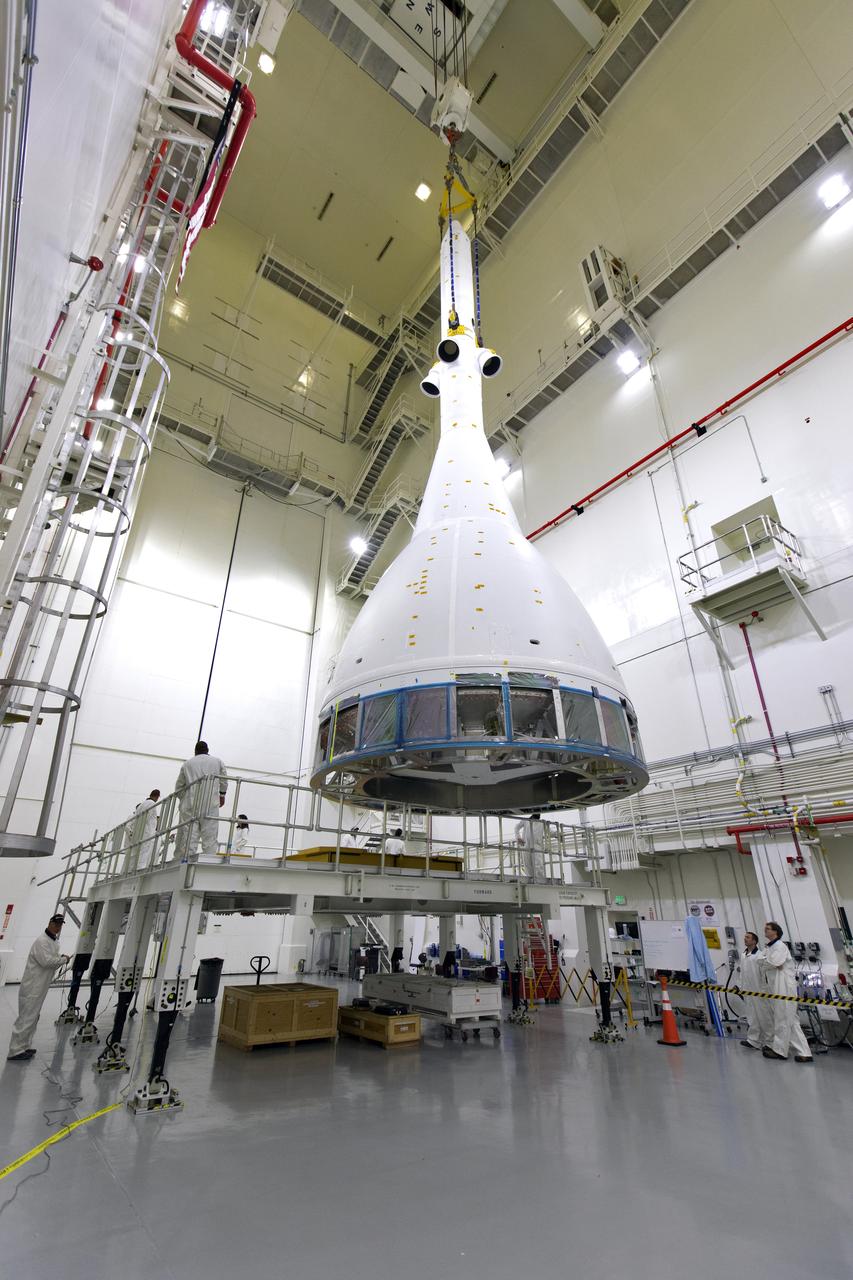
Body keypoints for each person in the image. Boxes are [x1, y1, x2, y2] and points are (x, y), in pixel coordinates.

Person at [7, 915, 69, 1061]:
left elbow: (50, 956)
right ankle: (15, 1051)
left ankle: (24, 1046)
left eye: (60, 925)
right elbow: (46, 961)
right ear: (50, 923)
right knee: (26, 1017)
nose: (58, 927)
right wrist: (63, 960)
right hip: (33, 986)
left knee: (33, 1017)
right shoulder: (42, 941)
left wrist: (60, 956)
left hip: (40, 986)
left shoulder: (52, 941)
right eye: (56, 924)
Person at [758, 921, 813, 1063]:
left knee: (783, 1018)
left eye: (768, 928)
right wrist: (768, 961)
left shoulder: (780, 946)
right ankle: (804, 1052)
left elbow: (773, 963)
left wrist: (767, 962)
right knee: (791, 1021)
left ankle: (780, 1051)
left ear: (775, 932)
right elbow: (761, 961)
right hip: (776, 986)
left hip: (784, 987)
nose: (765, 930)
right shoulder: (769, 947)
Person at [174, 741, 228, 861]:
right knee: (210, 838)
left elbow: (178, 788)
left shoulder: (187, 764)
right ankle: (209, 863)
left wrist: (186, 798)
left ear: (195, 751)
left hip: (190, 805)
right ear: (207, 750)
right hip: (210, 804)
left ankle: (186, 863)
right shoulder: (217, 762)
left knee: (189, 838)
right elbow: (224, 781)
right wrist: (222, 795)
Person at [738, 930, 772, 1051]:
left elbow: (764, 974)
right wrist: (741, 987)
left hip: (759, 991)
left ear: (754, 941)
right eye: (745, 937)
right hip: (747, 990)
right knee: (751, 1016)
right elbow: (742, 972)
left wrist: (764, 990)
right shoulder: (743, 955)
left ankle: (770, 1042)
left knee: (764, 1017)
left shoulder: (760, 955)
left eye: (748, 937)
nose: (745, 939)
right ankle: (753, 1040)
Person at [131, 788, 161, 869]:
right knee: (144, 852)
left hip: (138, 832)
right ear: (157, 797)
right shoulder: (152, 804)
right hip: (146, 831)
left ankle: (132, 869)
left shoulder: (142, 804)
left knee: (135, 853)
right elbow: (148, 818)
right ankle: (140, 869)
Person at [515, 812, 546, 879]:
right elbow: (517, 827)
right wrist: (518, 837)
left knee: (538, 864)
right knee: (527, 865)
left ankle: (540, 880)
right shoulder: (526, 821)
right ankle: (530, 880)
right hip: (526, 845)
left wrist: (557, 834)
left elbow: (550, 831)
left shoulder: (542, 823)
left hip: (537, 846)